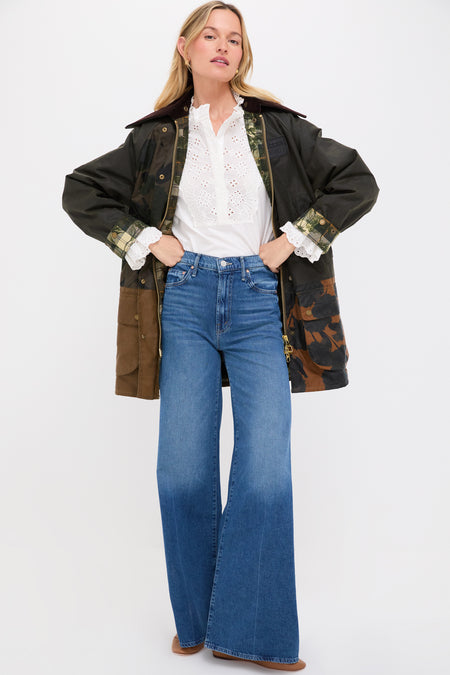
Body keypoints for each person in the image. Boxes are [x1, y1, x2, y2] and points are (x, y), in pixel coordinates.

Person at [62, 2, 379, 670]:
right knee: (182, 473)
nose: (223, 46)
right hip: (185, 299)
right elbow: (81, 190)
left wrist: (291, 240)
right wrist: (149, 240)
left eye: (234, 38)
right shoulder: (156, 137)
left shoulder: (279, 128)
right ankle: (197, 621)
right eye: (210, 34)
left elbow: (356, 180)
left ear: (243, 53)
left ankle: (255, 634)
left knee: (264, 473)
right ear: (184, 47)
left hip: (262, 300)